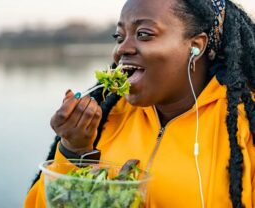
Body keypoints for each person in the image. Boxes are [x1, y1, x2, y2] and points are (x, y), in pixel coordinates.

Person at [24, 0, 255, 207]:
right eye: (119, 37)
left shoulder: (244, 126)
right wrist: (74, 151)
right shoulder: (106, 118)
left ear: (196, 45)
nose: (122, 49)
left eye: (144, 34)